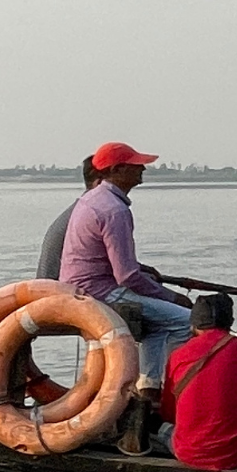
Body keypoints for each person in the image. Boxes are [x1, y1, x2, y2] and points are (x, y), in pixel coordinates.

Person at [59, 142, 192, 402]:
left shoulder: (92, 199)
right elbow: (127, 277)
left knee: (158, 326)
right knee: (184, 320)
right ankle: (176, 392)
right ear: (117, 170)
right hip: (99, 292)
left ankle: (149, 389)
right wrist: (171, 296)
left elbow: (118, 264)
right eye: (136, 165)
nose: (142, 169)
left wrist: (144, 271)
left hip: (79, 286)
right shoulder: (114, 210)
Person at [158, 294, 237, 470]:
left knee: (163, 429)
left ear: (193, 325)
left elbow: (168, 413)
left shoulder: (178, 355)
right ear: (230, 321)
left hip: (187, 453)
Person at [37, 157, 100, 279]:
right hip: (60, 289)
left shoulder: (82, 209)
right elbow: (121, 270)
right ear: (99, 182)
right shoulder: (94, 213)